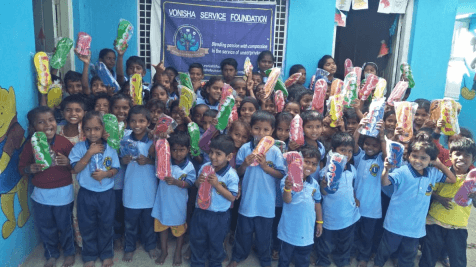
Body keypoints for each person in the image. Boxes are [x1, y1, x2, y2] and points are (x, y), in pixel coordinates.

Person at [373, 133, 457, 267]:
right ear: (409, 155)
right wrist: (386, 169)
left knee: (408, 255)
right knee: (386, 248)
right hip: (395, 224)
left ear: (431, 160)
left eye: (423, 158)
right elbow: (384, 183)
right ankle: (378, 264)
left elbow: (453, 180)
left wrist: (439, 164)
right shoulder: (402, 171)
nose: (418, 160)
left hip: (415, 228)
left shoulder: (433, 173)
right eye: (414, 156)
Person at [18, 106, 76, 267]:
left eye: (50, 120)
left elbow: (77, 166)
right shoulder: (30, 145)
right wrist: (31, 168)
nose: (47, 125)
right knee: (46, 227)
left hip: (63, 194)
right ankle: (51, 254)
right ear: (33, 127)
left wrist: (68, 162)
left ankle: (69, 252)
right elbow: (22, 168)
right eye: (41, 122)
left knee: (65, 226)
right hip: (41, 195)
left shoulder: (64, 142)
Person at [228, 111, 286, 267]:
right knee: (243, 232)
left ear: (272, 131)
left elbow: (281, 174)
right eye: (257, 128)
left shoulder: (274, 151)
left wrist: (265, 167)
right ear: (251, 129)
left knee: (264, 235)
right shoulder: (246, 149)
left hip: (266, 202)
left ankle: (265, 258)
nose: (261, 133)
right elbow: (237, 173)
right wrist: (245, 164)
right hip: (248, 200)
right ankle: (238, 256)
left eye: (265, 130)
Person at [69, 111, 120, 267]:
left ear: (103, 129)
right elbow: (75, 169)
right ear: (83, 130)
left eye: (97, 129)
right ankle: (89, 255)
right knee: (87, 225)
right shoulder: (78, 148)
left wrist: (106, 174)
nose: (92, 133)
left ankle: (106, 254)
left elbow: (116, 168)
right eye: (88, 129)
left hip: (106, 194)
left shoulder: (110, 147)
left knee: (106, 224)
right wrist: (89, 153)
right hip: (86, 194)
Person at [419, 137, 476, 267]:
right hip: (435, 222)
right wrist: (439, 198)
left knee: (458, 260)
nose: (461, 158)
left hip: (458, 226)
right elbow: (428, 190)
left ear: (473, 159)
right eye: (457, 154)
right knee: (428, 256)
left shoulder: (473, 179)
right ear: (450, 156)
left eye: (467, 155)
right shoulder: (441, 173)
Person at [190, 134, 239, 267]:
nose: (213, 156)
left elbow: (232, 197)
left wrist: (217, 185)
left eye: (218, 154)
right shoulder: (205, 167)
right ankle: (197, 262)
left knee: (216, 242)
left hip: (219, 215)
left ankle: (215, 263)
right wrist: (198, 182)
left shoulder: (231, 175)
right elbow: (196, 186)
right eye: (211, 152)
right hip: (200, 212)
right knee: (198, 239)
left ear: (229, 157)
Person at [315, 132, 360, 267]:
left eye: (350, 151)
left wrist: (354, 198)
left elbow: (351, 187)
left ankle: (343, 260)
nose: (346, 154)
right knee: (326, 242)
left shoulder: (352, 169)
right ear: (333, 151)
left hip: (348, 215)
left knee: (345, 241)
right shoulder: (326, 172)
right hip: (330, 215)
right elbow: (324, 193)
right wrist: (324, 185)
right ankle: (323, 261)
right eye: (342, 150)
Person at [152, 132, 196, 265]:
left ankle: (177, 251)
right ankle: (164, 251)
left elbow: (190, 183)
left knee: (179, 230)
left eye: (182, 150)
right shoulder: (164, 162)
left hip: (178, 205)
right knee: (162, 227)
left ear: (188, 150)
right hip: (163, 202)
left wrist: (177, 182)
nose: (178, 153)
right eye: (174, 149)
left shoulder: (189, 166)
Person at [120, 106, 158, 262]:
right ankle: (129, 247)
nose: (137, 124)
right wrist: (124, 160)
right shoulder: (124, 139)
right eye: (133, 121)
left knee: (148, 222)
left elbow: (162, 163)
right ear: (128, 122)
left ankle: (150, 245)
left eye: (142, 121)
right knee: (130, 224)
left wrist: (149, 161)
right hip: (130, 190)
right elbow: (120, 160)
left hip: (149, 189)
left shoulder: (153, 140)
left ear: (148, 122)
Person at [278, 146, 323, 267]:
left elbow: (317, 203)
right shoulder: (288, 179)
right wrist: (288, 187)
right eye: (306, 162)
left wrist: (319, 222)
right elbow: (287, 200)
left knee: (303, 260)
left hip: (306, 232)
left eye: (314, 164)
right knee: (284, 259)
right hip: (288, 231)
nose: (310, 166)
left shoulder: (314, 184)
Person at [352, 117, 386, 267]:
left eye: (374, 145)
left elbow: (387, 155)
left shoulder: (380, 159)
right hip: (355, 205)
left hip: (372, 208)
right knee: (354, 232)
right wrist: (359, 129)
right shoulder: (360, 157)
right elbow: (353, 144)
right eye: (367, 144)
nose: (369, 147)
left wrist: (383, 136)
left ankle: (364, 257)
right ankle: (353, 253)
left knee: (367, 235)